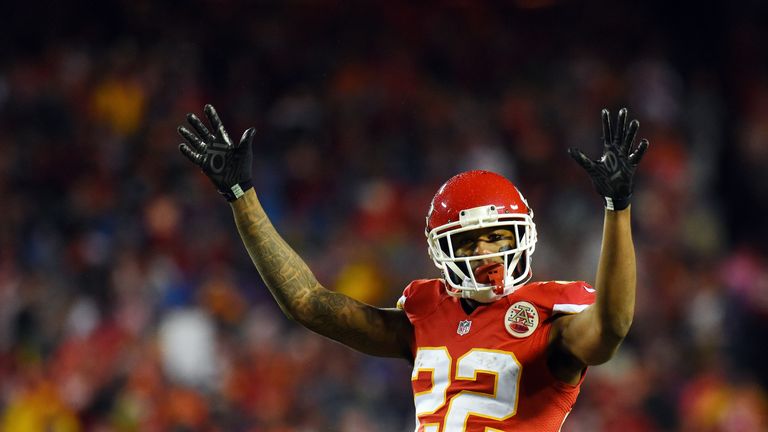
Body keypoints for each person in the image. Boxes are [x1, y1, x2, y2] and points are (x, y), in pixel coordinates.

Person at [177, 105, 649, 431]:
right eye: (471, 241)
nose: (486, 252)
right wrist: (242, 196)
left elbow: (611, 327)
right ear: (442, 250)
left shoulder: (551, 316)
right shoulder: (426, 315)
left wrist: (618, 207)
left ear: (523, 236)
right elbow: (309, 303)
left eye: (498, 236)